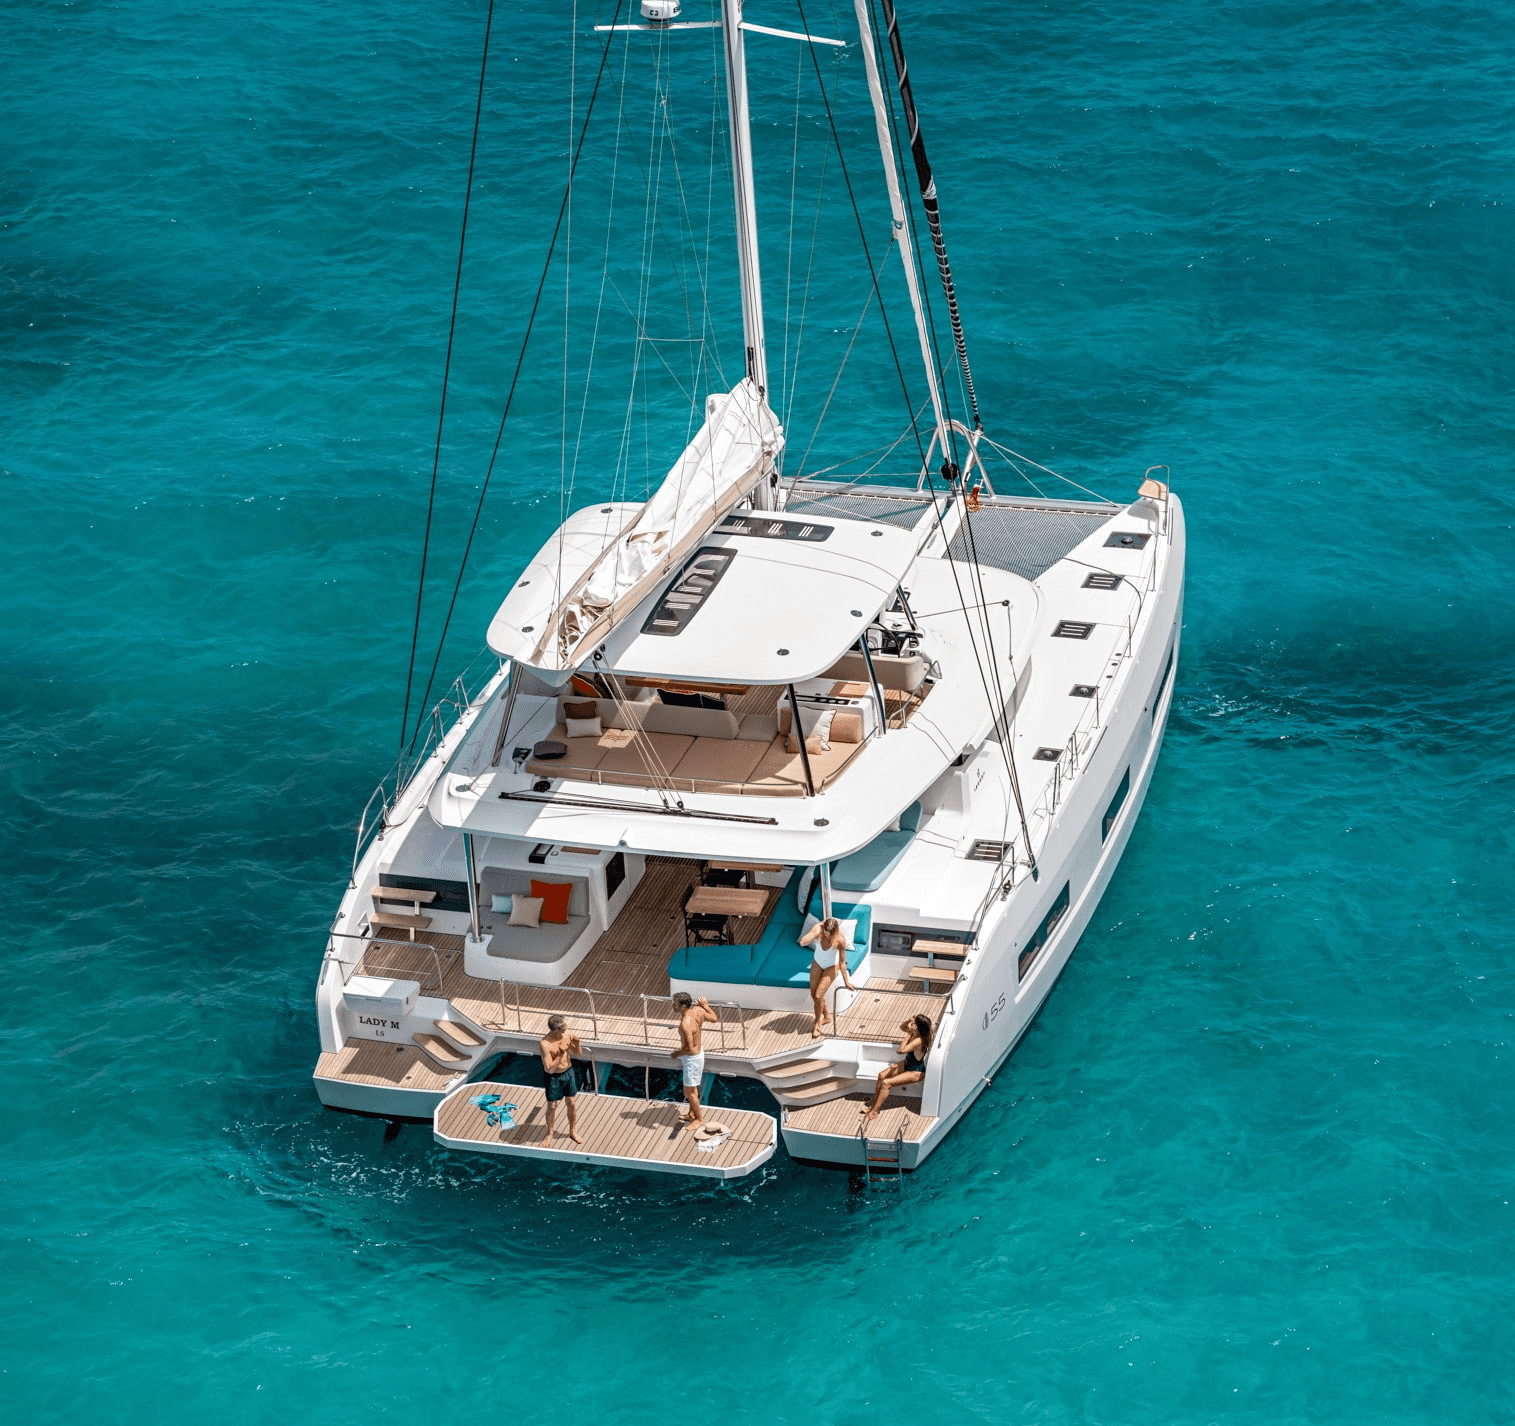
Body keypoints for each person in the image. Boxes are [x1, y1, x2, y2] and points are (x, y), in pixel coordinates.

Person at [862, 1014, 932, 1124]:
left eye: (915, 1022)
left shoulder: (919, 1040)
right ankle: (874, 1104)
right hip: (908, 1063)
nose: (913, 1024)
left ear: (918, 1026)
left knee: (886, 1083)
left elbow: (901, 1051)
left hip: (916, 1071)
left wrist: (908, 1035)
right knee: (881, 1075)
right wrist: (908, 1020)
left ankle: (874, 1112)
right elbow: (902, 1027)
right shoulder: (916, 1032)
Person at [799, 914, 855, 1036]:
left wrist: (846, 982)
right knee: (814, 995)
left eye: (829, 934)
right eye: (825, 932)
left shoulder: (840, 940)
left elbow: (842, 963)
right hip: (817, 963)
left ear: (834, 932)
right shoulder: (818, 929)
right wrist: (807, 939)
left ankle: (817, 1023)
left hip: (831, 967)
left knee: (818, 996)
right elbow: (803, 941)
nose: (826, 935)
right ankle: (827, 1017)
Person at [669, 991, 718, 1133]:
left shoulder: (685, 1024)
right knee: (693, 1089)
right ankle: (692, 1114)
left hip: (692, 1058)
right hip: (697, 1054)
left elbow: (689, 1049)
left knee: (689, 1091)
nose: (672, 1005)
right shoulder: (697, 1010)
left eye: (675, 1003)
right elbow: (714, 1018)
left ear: (682, 1006)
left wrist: (676, 1054)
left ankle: (699, 1119)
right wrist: (706, 1006)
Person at [538, 1014, 584, 1146]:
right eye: (563, 1027)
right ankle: (549, 1134)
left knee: (571, 1102)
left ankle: (572, 1131)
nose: (566, 1028)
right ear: (555, 1030)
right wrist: (561, 1052)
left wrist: (577, 1044)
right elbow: (549, 1069)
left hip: (568, 1072)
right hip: (554, 1076)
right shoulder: (545, 1043)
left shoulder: (566, 1035)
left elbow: (579, 1055)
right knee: (552, 1106)